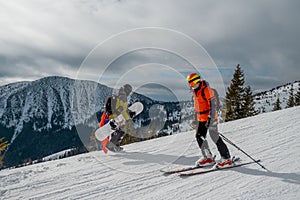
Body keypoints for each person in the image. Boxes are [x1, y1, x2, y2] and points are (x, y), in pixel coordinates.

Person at [186, 73, 232, 167]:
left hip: (211, 118)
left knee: (214, 136)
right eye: (189, 83)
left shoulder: (206, 90)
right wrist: (196, 119)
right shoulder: (195, 92)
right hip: (201, 119)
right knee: (199, 137)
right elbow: (199, 107)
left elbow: (213, 105)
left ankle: (226, 158)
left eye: (191, 83)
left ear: (197, 81)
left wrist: (211, 118)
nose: (191, 85)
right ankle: (208, 157)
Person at [99, 84, 135, 152]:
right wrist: (128, 118)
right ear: (127, 90)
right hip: (115, 116)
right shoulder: (123, 96)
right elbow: (123, 110)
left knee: (118, 130)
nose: (129, 93)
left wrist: (128, 114)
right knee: (121, 130)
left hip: (112, 116)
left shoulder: (119, 94)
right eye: (129, 91)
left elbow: (123, 109)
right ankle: (111, 145)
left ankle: (115, 145)